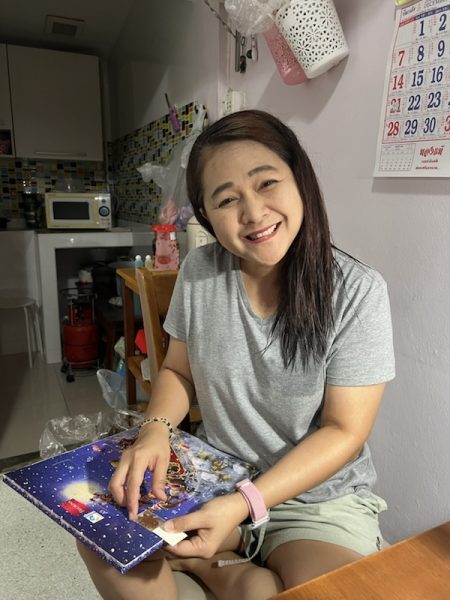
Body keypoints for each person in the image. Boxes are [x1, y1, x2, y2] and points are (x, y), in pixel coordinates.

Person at [78, 109, 395, 599]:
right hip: (214, 480)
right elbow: (178, 371)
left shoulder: (357, 291)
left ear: (300, 182)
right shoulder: (200, 271)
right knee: (101, 533)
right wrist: (155, 430)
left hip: (313, 502)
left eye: (267, 183)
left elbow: (344, 430)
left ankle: (223, 572)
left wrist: (246, 503)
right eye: (227, 199)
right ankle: (234, 575)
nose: (253, 212)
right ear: (206, 215)